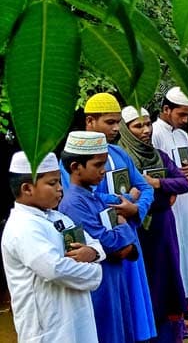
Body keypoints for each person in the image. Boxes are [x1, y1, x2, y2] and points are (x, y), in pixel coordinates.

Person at [61, 93, 157, 341]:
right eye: (110, 122)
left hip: (125, 238)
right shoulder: (72, 164)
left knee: (127, 308)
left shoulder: (119, 153)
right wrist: (123, 221)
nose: (115, 128)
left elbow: (144, 187)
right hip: (107, 248)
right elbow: (82, 206)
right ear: (90, 121)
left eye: (118, 123)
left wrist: (135, 209)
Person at [2, 152, 105, 342]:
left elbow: (94, 244)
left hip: (78, 315)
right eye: (52, 183)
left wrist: (92, 252)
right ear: (27, 188)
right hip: (48, 327)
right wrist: (95, 270)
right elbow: (55, 269)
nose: (60, 189)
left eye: (59, 182)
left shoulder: (58, 218)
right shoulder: (22, 227)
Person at [118, 107, 188, 340]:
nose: (146, 130)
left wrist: (158, 184)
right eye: (138, 126)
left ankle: (170, 334)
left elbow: (184, 183)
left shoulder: (159, 155)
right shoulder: (120, 158)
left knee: (168, 279)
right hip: (138, 229)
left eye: (148, 124)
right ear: (125, 129)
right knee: (145, 282)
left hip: (163, 226)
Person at [58, 131, 140, 343]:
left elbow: (124, 249)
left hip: (113, 279)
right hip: (99, 286)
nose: (103, 171)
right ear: (76, 167)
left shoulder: (92, 197)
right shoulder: (73, 203)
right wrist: (124, 229)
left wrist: (122, 241)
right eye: (97, 165)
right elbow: (108, 244)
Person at [150, 86, 188, 327]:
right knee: (176, 253)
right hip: (170, 204)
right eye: (181, 115)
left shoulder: (183, 135)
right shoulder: (155, 133)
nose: (186, 120)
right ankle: (181, 317)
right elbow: (156, 174)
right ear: (166, 109)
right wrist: (185, 179)